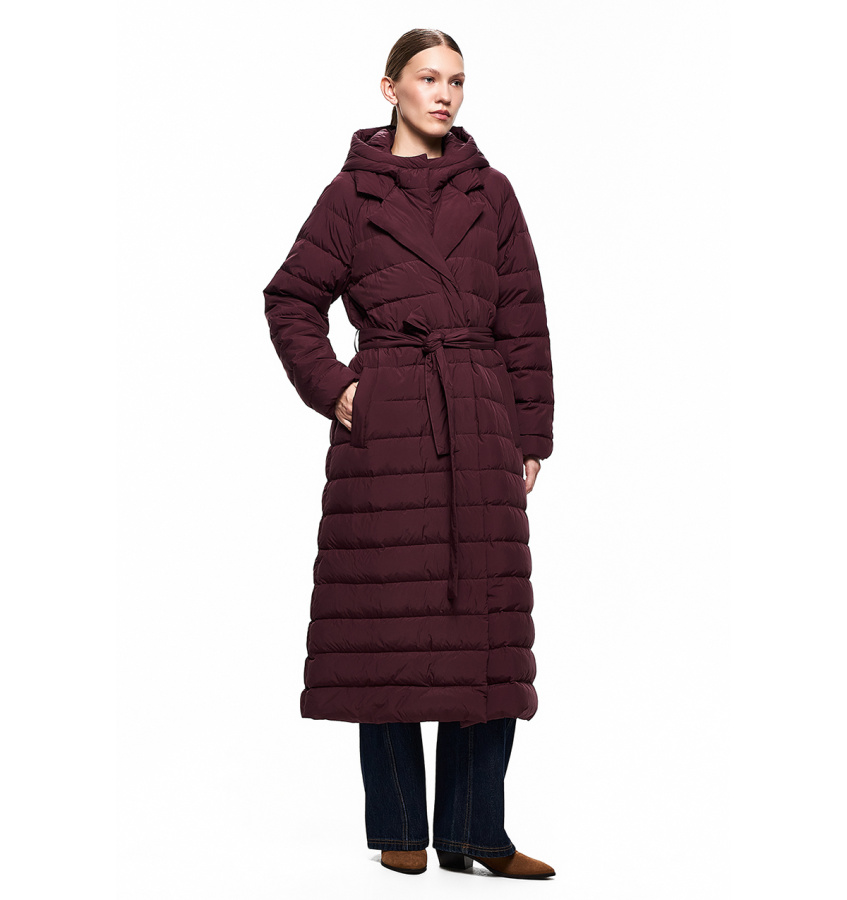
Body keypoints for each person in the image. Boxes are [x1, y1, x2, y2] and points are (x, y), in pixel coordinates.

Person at [262, 28, 555, 879]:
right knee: (382, 623)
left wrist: (530, 432)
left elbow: (523, 317)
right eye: (428, 78)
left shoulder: (491, 191)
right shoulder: (351, 194)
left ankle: (476, 832)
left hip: (478, 418)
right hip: (387, 425)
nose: (445, 95)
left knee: (486, 626)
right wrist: (338, 389)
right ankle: (400, 825)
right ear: (389, 87)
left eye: (457, 81)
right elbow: (290, 299)